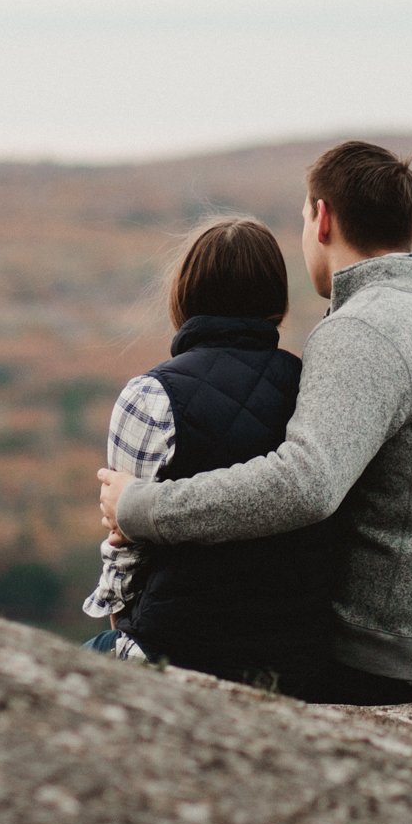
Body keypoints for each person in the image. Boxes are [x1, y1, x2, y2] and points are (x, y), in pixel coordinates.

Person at [99, 141, 412, 705]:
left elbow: (304, 484)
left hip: (399, 657)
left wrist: (139, 508)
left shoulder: (360, 330)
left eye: (303, 218)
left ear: (321, 219)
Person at [81, 216, 336, 697]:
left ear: (184, 294)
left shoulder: (151, 397)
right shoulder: (314, 388)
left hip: (176, 648)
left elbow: (124, 543)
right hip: (296, 659)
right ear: (275, 301)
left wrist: (116, 617)